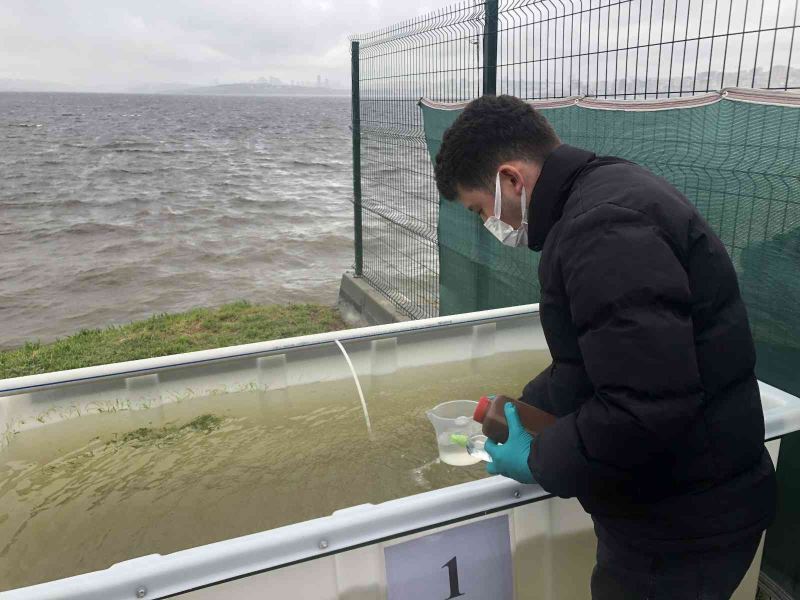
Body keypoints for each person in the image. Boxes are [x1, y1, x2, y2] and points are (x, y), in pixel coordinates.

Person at [433, 94, 777, 600]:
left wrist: (541, 460)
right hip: (694, 496)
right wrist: (524, 408)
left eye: (481, 209)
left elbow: (645, 409)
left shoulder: (604, 231)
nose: (491, 223)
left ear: (511, 180)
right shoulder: (602, 197)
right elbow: (600, 363)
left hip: (684, 524)